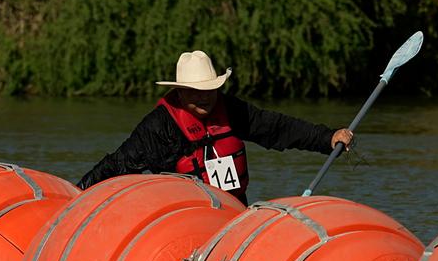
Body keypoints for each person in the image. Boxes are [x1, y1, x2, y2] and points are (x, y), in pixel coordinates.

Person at [77, 50, 354, 205]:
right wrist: (76, 197)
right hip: (186, 219)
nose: (204, 97)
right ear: (180, 92)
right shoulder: (160, 126)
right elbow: (118, 166)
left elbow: (277, 128)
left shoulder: (229, 109)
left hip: (234, 213)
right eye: (196, 92)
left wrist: (327, 137)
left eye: (210, 90)